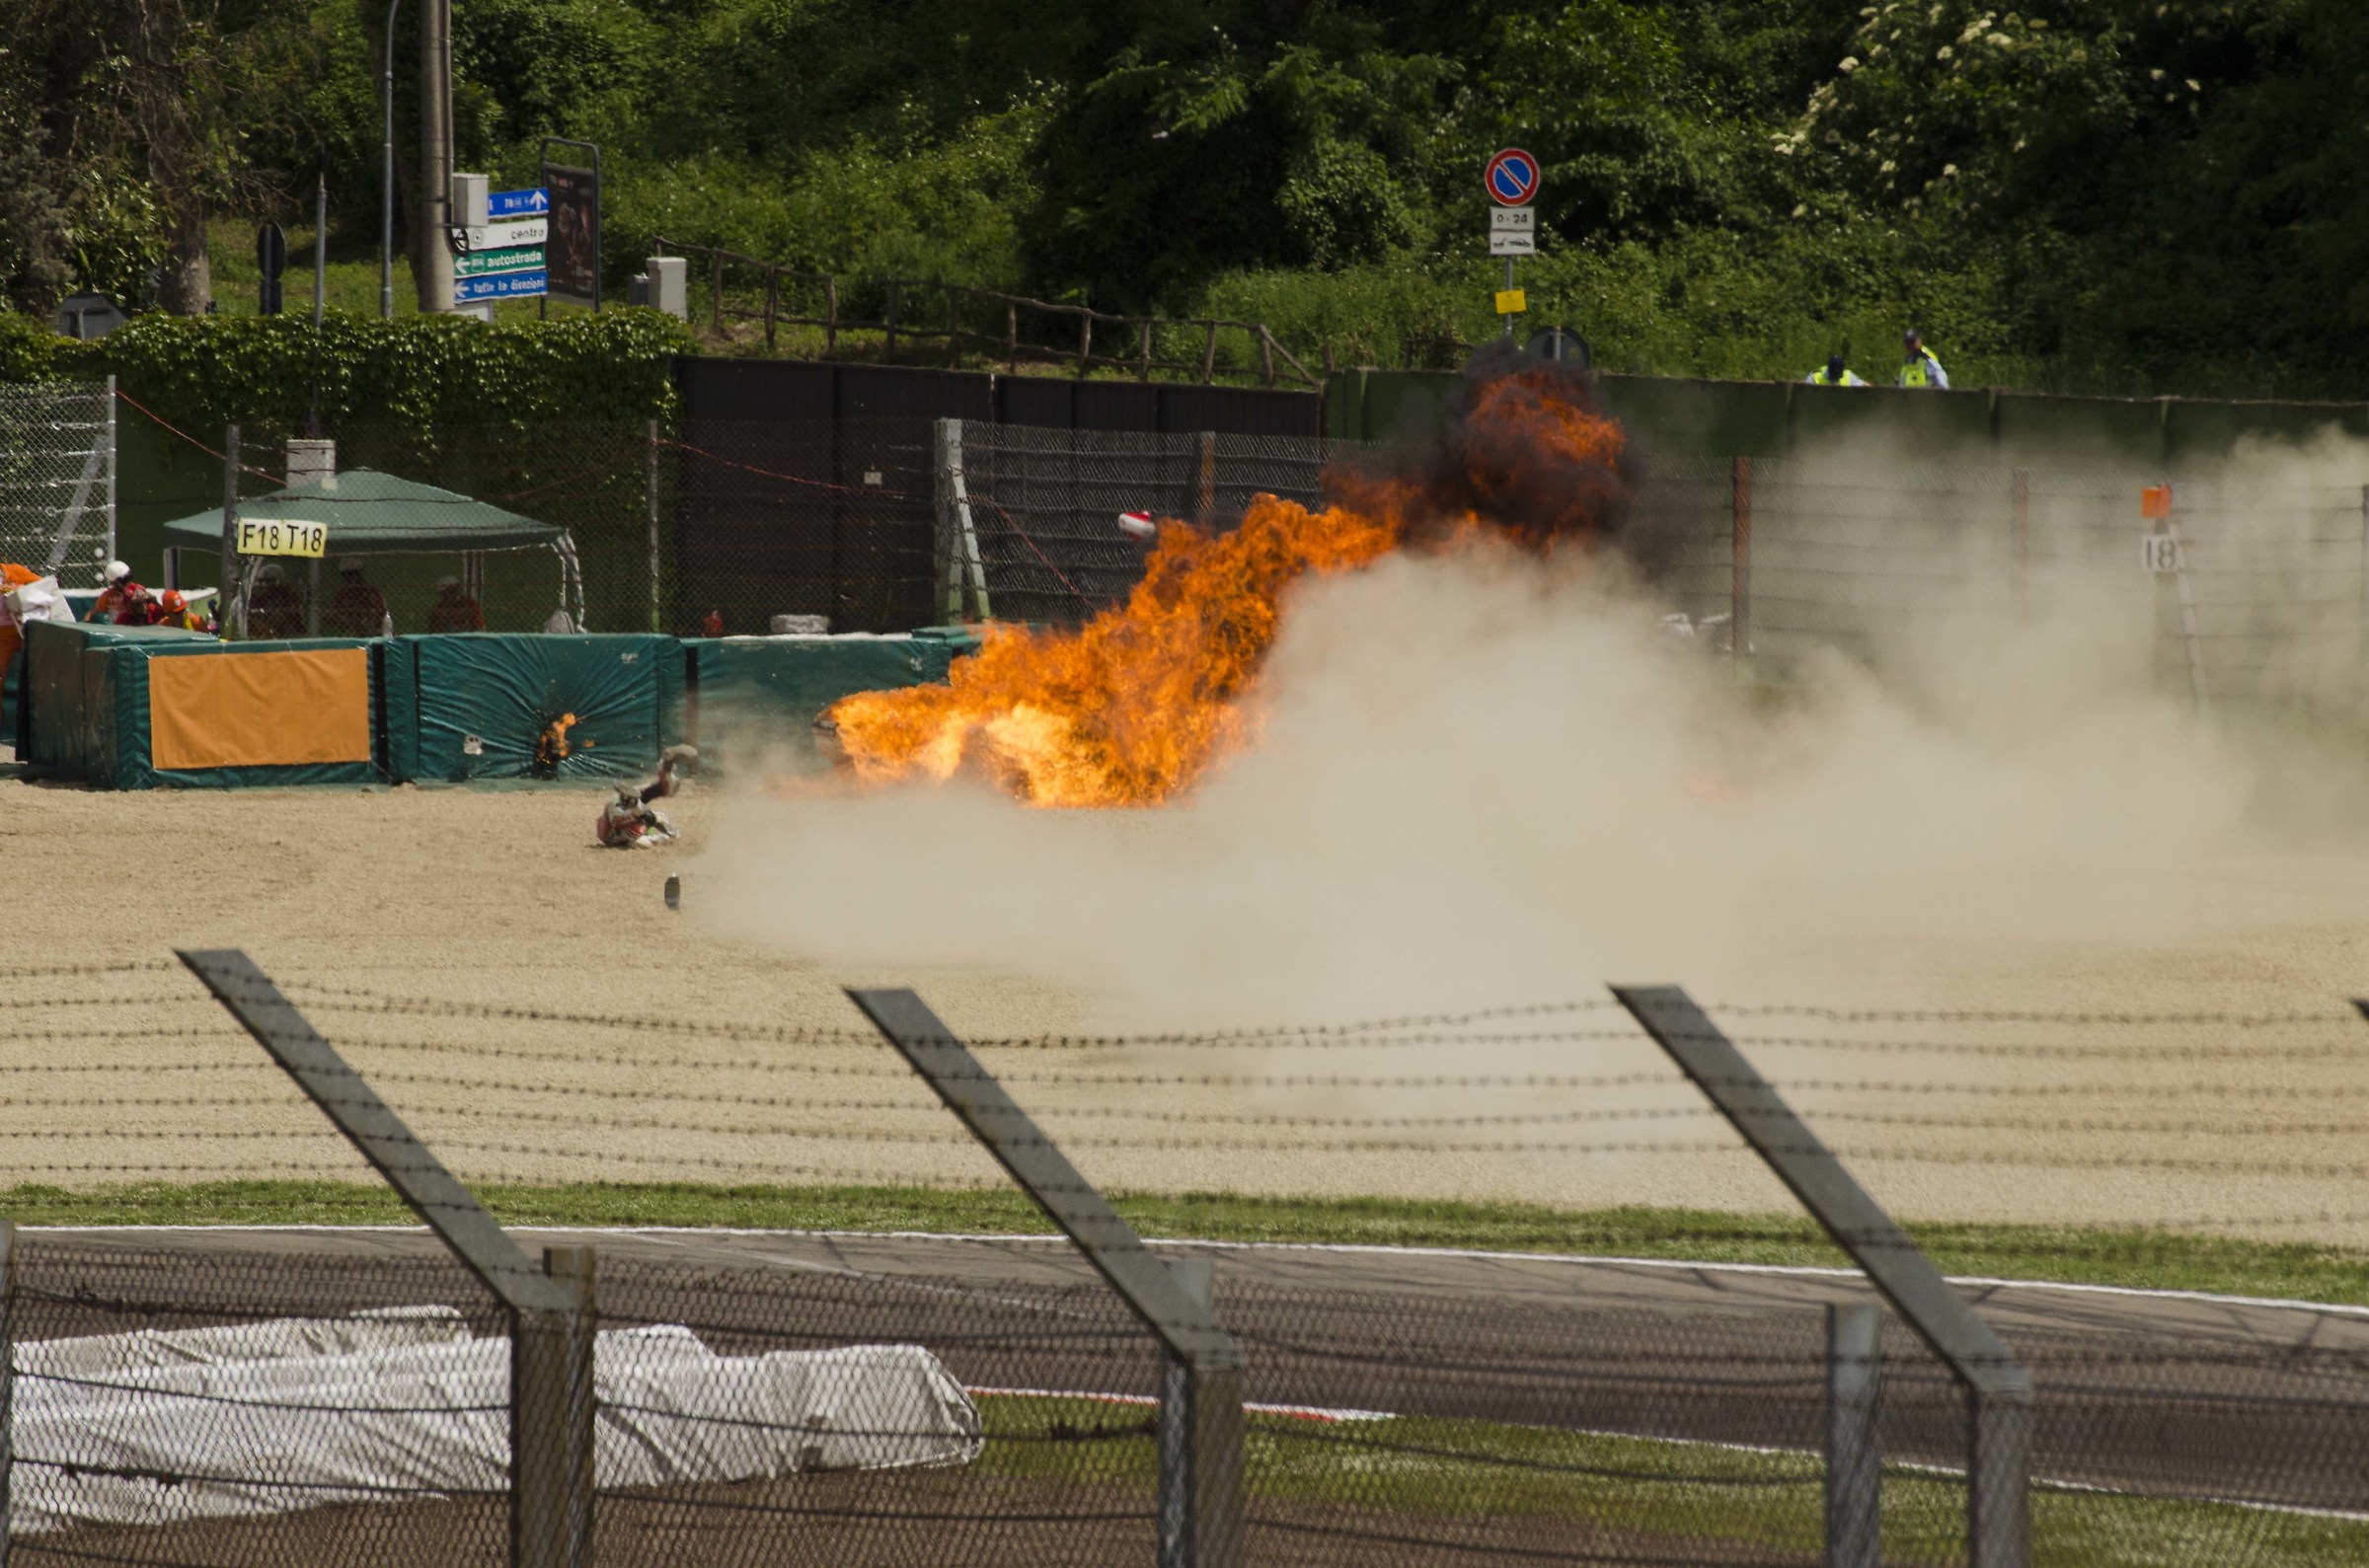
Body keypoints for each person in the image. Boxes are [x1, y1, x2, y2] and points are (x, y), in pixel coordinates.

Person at [596, 745, 700, 848]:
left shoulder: (637, 828)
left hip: (621, 811)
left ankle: (666, 764)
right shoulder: (640, 831)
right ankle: (666, 764)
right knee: (667, 789)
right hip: (622, 811)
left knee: (665, 791)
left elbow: (654, 821)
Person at [326, 558, 387, 637]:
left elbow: (381, 611)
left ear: (359, 573)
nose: (349, 578)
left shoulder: (370, 591)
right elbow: (335, 613)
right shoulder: (343, 593)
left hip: (373, 628)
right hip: (352, 630)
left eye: (352, 574)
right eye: (345, 575)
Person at [249, 563, 304, 639]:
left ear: (277, 580)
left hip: (286, 628)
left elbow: (294, 611)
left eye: (268, 581)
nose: (263, 585)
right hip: (267, 629)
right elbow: (254, 606)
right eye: (261, 581)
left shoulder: (286, 593)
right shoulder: (262, 594)